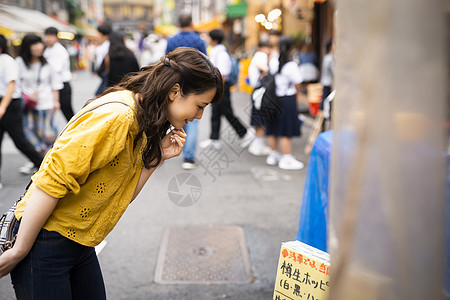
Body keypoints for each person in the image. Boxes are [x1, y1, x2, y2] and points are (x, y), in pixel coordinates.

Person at [0, 47, 224, 298]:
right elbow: (51, 181)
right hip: (46, 241)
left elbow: (121, 196)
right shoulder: (120, 116)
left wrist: (156, 158)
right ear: (175, 92)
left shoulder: (143, 117)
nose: (199, 116)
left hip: (80, 243)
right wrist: (20, 250)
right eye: (199, 105)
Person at [0, 35, 44, 189]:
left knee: (20, 141)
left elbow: (11, 85)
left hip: (10, 104)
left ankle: (44, 166)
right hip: (5, 104)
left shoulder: (7, 61)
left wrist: (2, 107)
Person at [200, 29, 254, 151]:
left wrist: (216, 90)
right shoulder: (216, 51)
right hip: (218, 87)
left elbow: (223, 75)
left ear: (214, 40)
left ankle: (245, 133)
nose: (207, 39)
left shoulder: (221, 54)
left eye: (209, 37)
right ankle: (214, 139)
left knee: (227, 113)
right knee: (216, 114)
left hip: (222, 88)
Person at [16, 34, 62, 174]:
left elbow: (55, 84)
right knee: (30, 132)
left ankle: (46, 161)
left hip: (46, 103)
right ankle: (36, 160)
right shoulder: (19, 62)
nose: (39, 47)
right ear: (27, 47)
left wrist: (56, 101)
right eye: (34, 44)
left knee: (47, 134)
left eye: (39, 43)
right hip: (28, 104)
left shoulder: (47, 63)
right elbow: (16, 82)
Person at [165, 14, 207, 170]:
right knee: (193, 120)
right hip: (195, 84)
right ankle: (188, 157)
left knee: (168, 116)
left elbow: (166, 61)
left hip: (175, 82)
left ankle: (159, 151)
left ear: (178, 23)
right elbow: (205, 63)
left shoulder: (172, 40)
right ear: (191, 23)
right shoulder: (198, 41)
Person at [266, 36, 304, 170]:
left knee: (273, 128)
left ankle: (273, 155)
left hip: (272, 98)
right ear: (291, 48)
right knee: (286, 130)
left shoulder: (273, 62)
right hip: (287, 99)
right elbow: (298, 83)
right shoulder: (292, 65)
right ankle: (286, 158)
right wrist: (297, 95)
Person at [43, 27, 74, 122]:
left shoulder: (60, 50)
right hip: (53, 86)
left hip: (62, 86)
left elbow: (55, 69)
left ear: (56, 37)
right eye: (47, 36)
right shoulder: (47, 50)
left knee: (67, 112)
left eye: (50, 36)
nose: (48, 38)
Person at [247, 40, 272, 156]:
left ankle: (257, 144)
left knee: (258, 118)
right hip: (260, 91)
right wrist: (267, 72)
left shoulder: (257, 56)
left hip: (256, 91)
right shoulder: (261, 56)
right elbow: (264, 68)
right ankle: (259, 145)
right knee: (261, 118)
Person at [94, 23, 112, 95]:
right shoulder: (102, 46)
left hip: (106, 76)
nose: (96, 36)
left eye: (98, 34)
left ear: (105, 36)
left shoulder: (107, 46)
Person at [320, 39, 334, 110]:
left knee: (325, 101)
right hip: (329, 82)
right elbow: (334, 70)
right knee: (326, 102)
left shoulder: (326, 56)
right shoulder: (330, 58)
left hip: (325, 81)